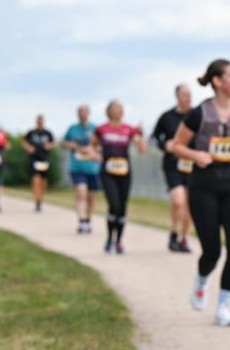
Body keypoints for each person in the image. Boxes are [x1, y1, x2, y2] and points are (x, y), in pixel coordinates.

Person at [169, 59, 230, 327]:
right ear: (217, 81)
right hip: (203, 186)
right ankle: (202, 280)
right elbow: (176, 145)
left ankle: (224, 306)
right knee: (212, 251)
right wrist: (195, 155)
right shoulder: (199, 113)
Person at [92, 100, 146, 254]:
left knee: (122, 207)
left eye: (122, 108)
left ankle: (119, 242)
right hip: (108, 172)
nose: (120, 111)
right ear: (109, 111)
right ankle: (110, 238)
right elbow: (92, 145)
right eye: (116, 108)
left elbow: (142, 149)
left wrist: (140, 135)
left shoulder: (129, 129)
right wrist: (94, 154)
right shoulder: (102, 129)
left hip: (124, 172)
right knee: (114, 205)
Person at [153, 84, 195, 252]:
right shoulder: (166, 117)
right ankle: (174, 233)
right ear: (177, 96)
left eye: (190, 95)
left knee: (191, 205)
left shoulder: (196, 115)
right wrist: (165, 145)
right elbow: (154, 137)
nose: (188, 98)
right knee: (178, 201)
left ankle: (184, 239)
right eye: (185, 94)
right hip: (173, 164)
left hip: (193, 164)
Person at [63, 105, 102, 234]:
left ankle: (88, 221)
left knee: (91, 197)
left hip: (92, 168)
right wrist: (71, 145)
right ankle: (81, 221)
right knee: (81, 191)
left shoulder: (95, 129)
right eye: (80, 112)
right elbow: (63, 143)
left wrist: (92, 150)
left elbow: (101, 146)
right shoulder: (72, 129)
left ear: (89, 113)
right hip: (77, 167)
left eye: (84, 112)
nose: (82, 114)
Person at [22, 115, 57, 212]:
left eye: (41, 121)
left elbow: (54, 143)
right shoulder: (31, 132)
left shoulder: (48, 133)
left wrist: (49, 146)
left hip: (44, 160)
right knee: (36, 181)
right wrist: (28, 147)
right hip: (34, 159)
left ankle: (40, 199)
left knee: (43, 183)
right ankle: (37, 202)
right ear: (36, 122)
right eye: (38, 121)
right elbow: (23, 141)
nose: (40, 123)